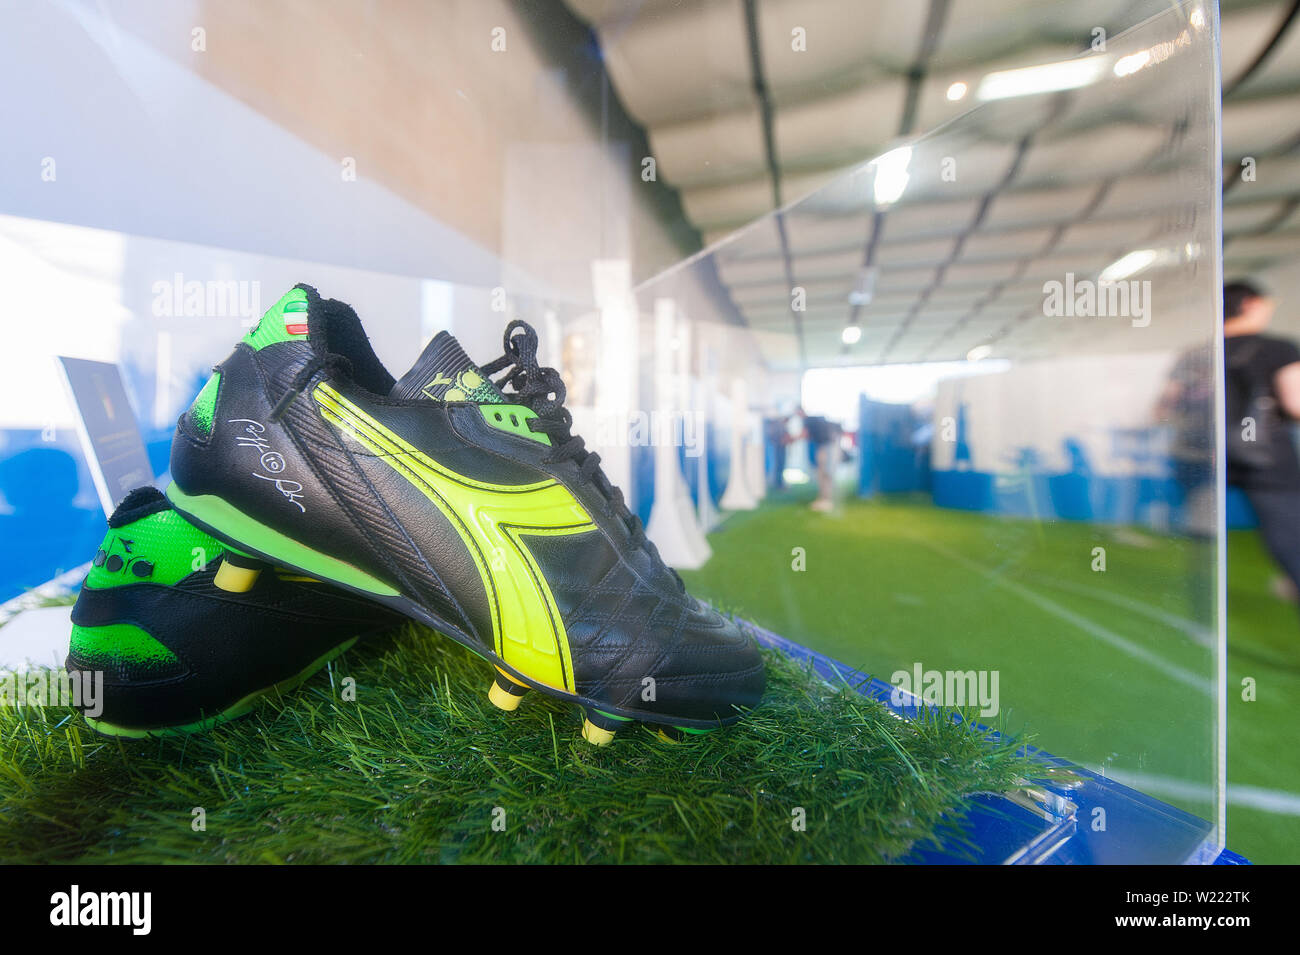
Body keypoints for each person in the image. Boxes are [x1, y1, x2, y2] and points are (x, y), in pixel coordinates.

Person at [1223, 280, 1300, 613]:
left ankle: (1200, 624)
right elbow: (1296, 402)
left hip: (1211, 458)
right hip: (1267, 459)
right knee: (1292, 543)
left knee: (1203, 547)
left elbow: (1167, 406)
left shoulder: (1199, 353)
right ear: (1251, 304)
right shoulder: (1277, 348)